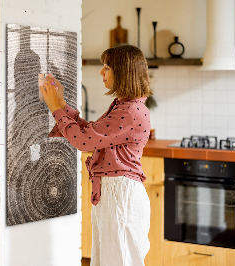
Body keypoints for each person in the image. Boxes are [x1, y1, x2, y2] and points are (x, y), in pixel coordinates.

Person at [39, 44, 152, 266]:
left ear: (123, 71)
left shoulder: (129, 111)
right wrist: (61, 104)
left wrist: (55, 108)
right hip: (114, 194)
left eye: (107, 67)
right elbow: (91, 133)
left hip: (120, 196)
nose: (101, 72)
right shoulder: (125, 106)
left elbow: (83, 140)